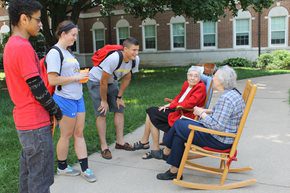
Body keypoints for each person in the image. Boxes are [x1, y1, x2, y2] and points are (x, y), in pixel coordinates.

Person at [3, 0, 63, 192]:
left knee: (28, 175)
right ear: (23, 19)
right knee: (41, 181)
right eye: (37, 20)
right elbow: (37, 88)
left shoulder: (12, 45)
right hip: (35, 124)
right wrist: (56, 110)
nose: (40, 24)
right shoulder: (22, 47)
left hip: (25, 123)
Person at [156, 65, 245, 180]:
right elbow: (225, 113)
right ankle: (174, 170)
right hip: (222, 136)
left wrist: (201, 114)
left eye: (215, 77)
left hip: (219, 139)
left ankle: (167, 150)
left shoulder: (226, 99)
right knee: (180, 133)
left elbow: (217, 126)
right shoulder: (233, 93)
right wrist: (206, 110)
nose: (212, 79)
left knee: (179, 124)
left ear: (222, 81)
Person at [46, 20, 96, 183]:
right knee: (66, 134)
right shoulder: (55, 52)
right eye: (73, 35)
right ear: (63, 34)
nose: (75, 38)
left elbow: (70, 74)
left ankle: (85, 168)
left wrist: (80, 76)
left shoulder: (68, 52)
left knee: (79, 133)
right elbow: (52, 80)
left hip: (78, 98)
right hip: (64, 99)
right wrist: (76, 77)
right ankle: (62, 167)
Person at [133, 66, 206, 160]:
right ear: (187, 76)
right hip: (178, 109)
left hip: (185, 114)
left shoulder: (200, 87)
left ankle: (150, 146)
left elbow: (189, 103)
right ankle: (147, 143)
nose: (192, 78)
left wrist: (173, 105)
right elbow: (179, 97)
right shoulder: (187, 84)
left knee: (152, 113)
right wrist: (169, 105)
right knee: (152, 112)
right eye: (190, 75)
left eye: (195, 76)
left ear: (199, 78)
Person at [87, 37, 140, 159]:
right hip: (96, 81)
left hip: (112, 81)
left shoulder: (135, 60)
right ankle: (104, 147)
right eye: (133, 50)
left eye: (137, 50)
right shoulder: (114, 58)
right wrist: (104, 101)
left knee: (119, 108)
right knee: (102, 111)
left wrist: (119, 97)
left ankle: (120, 142)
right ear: (125, 49)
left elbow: (127, 77)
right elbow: (103, 81)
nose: (136, 53)